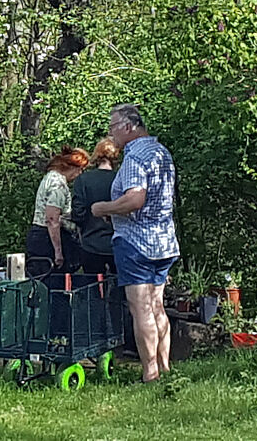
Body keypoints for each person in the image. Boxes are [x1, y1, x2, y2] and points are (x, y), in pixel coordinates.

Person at [91, 104, 179, 383]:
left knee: (141, 307)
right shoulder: (161, 153)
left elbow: (135, 199)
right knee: (157, 306)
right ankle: (165, 367)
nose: (111, 133)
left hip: (137, 242)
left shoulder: (135, 158)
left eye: (113, 127)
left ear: (129, 127)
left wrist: (103, 208)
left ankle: (150, 372)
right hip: (164, 242)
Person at [25, 146, 89, 273]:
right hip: (47, 239)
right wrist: (58, 252)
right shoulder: (58, 184)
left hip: (40, 235)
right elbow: (52, 219)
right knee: (54, 281)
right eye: (81, 170)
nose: (80, 174)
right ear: (72, 167)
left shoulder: (49, 177)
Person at [72, 137, 120, 277]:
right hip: (118, 242)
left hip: (91, 242)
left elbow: (77, 213)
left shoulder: (83, 180)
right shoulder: (121, 179)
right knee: (121, 288)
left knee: (91, 289)